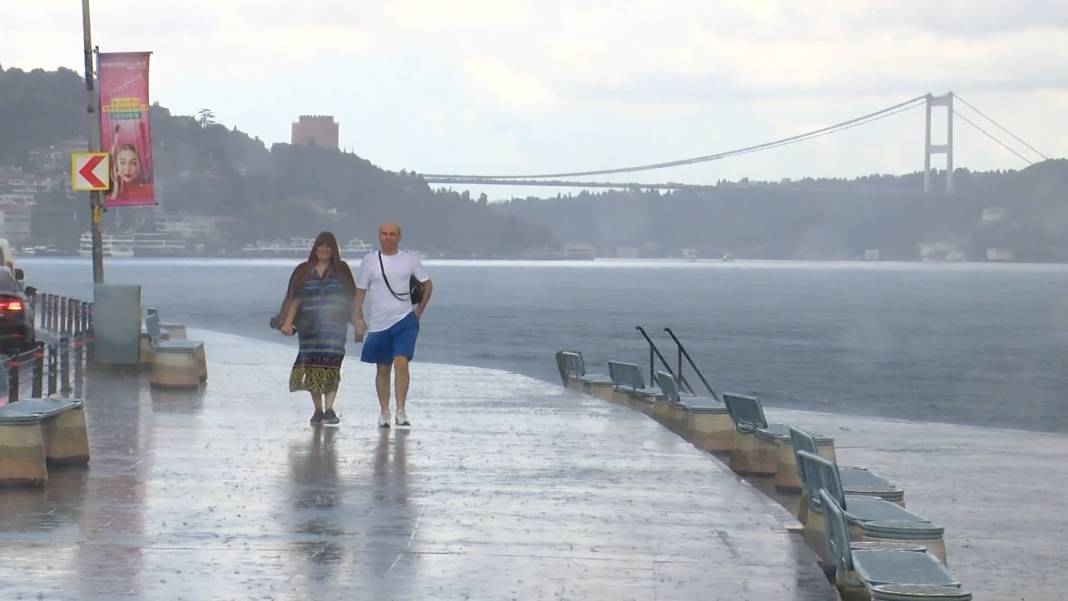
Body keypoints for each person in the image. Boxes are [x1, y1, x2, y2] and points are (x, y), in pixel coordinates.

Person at [354, 223, 433, 428]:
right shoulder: (369, 261)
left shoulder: (410, 259)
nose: (388, 237)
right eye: (384, 234)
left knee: (401, 363)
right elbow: (360, 291)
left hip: (405, 319)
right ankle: (384, 411)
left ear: (399, 237)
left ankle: (401, 410)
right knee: (382, 368)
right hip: (379, 323)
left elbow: (427, 284)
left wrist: (419, 311)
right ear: (379, 236)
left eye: (392, 234)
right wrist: (358, 318)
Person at [278, 232, 358, 426]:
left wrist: (357, 321)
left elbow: (352, 297)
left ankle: (330, 409)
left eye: (328, 246)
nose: (324, 250)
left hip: (335, 329)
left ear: (334, 250)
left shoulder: (342, 270)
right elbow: (295, 299)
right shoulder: (304, 270)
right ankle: (318, 410)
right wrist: (287, 322)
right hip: (309, 328)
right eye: (321, 246)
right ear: (315, 248)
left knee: (332, 367)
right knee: (313, 368)